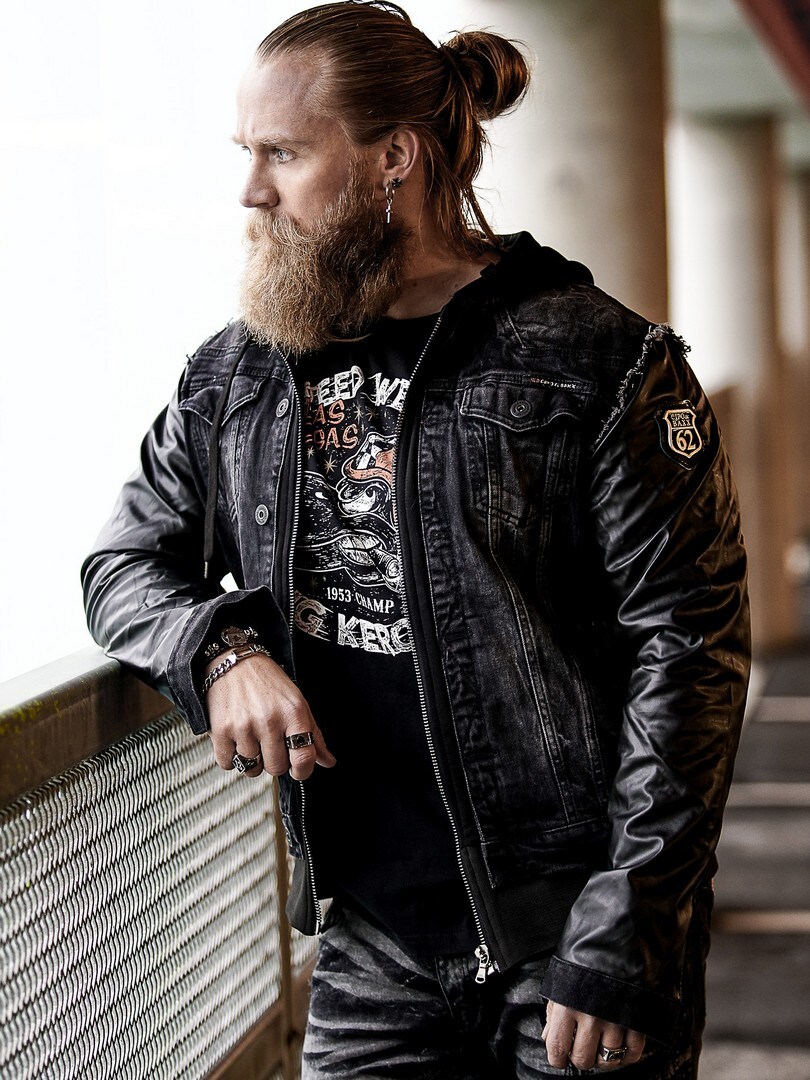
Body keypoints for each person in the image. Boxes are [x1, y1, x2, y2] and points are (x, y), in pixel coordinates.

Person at [82, 2, 751, 1077]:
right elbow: (122, 562)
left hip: (572, 936)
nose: (251, 190)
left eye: (283, 154)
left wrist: (630, 926)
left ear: (393, 157)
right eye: (247, 153)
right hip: (370, 942)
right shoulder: (240, 373)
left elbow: (691, 648)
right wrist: (220, 652)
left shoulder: (599, 360)